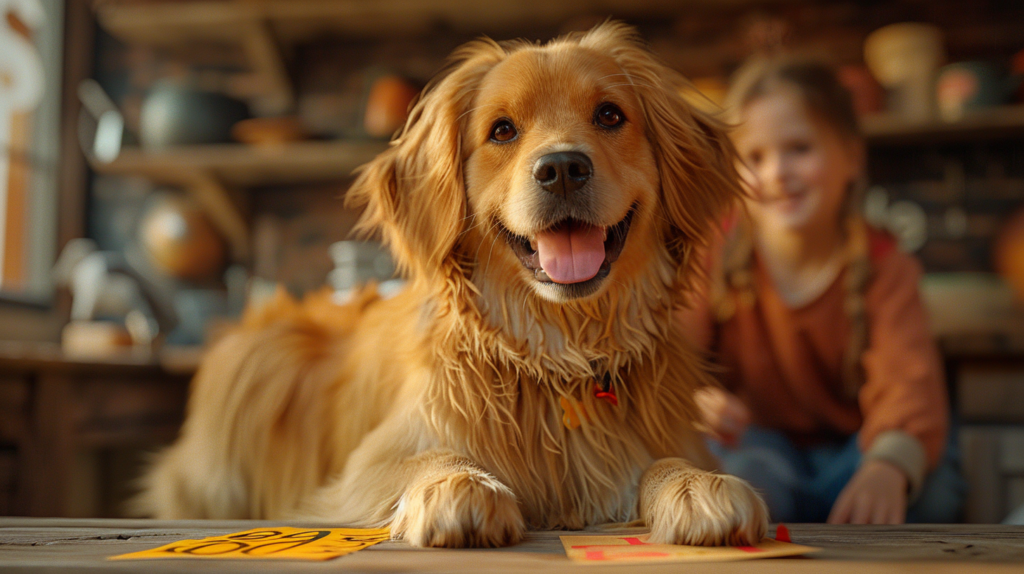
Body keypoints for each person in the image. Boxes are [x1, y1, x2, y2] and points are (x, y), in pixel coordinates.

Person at [679, 55, 965, 524]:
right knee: (737, 481)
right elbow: (670, 353)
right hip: (759, 446)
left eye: (799, 149)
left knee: (931, 490)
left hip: (859, 449)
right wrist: (689, 400)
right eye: (755, 157)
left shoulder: (885, 266)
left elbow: (909, 391)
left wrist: (886, 467)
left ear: (852, 158)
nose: (776, 173)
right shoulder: (714, 251)